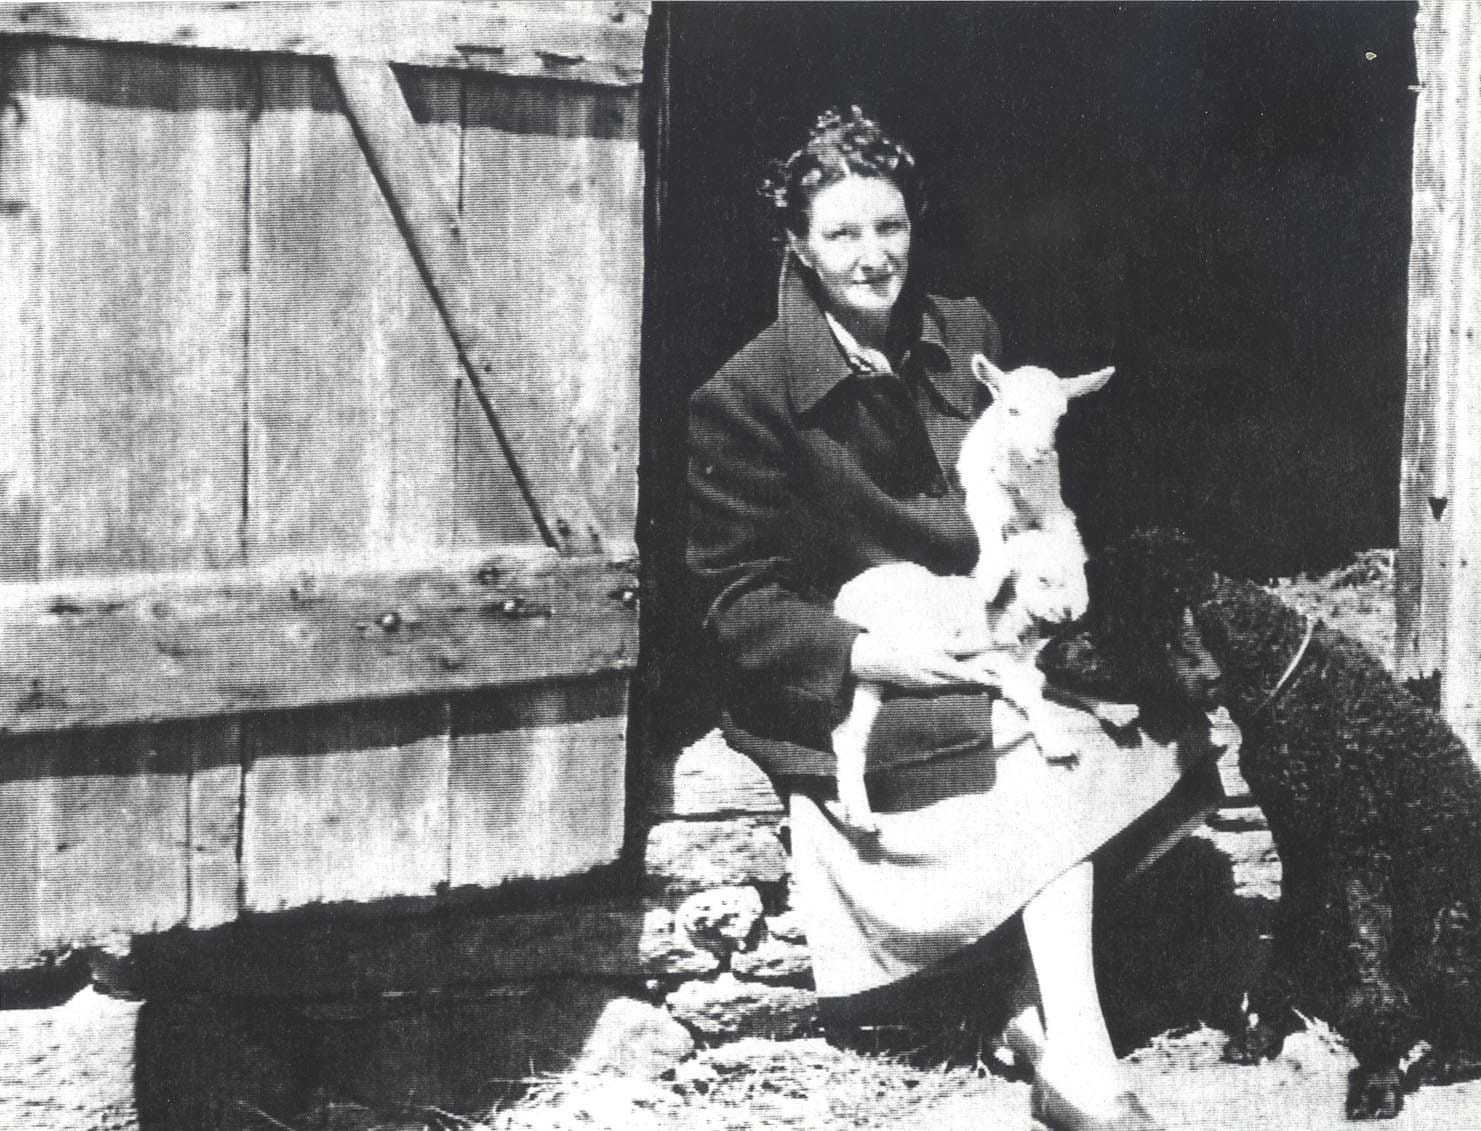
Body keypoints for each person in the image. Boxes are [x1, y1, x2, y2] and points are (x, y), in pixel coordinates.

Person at [684, 106, 1227, 1131]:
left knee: (1142, 704)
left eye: (888, 227)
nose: (870, 255)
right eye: (840, 233)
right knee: (1029, 738)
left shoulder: (964, 332)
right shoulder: (744, 397)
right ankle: (1080, 1056)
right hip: (856, 656)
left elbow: (1020, 490)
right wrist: (870, 652)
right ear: (796, 245)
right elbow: (734, 601)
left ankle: (1025, 1011)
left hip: (984, 616)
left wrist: (1041, 567)